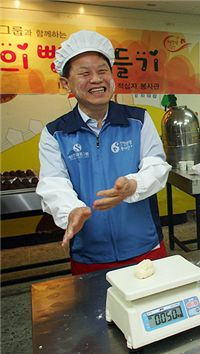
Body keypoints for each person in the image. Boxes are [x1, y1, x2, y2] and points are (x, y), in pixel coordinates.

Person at [37, 30, 171, 275]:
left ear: (112, 76)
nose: (96, 80)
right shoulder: (55, 133)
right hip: (90, 253)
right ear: (65, 83)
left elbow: (157, 166)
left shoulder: (138, 120)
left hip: (145, 247)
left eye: (102, 71)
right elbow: (54, 183)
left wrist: (133, 185)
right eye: (85, 73)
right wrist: (71, 210)